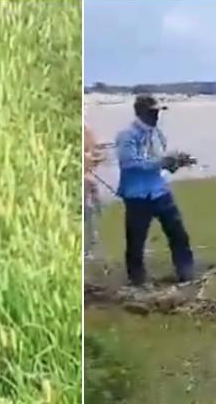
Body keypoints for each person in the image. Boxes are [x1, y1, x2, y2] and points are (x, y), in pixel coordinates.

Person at [114, 94, 195, 286]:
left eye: (158, 111)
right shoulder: (127, 135)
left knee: (178, 233)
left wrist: (176, 162)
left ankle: (186, 272)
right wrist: (162, 162)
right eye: (152, 112)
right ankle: (137, 280)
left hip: (160, 191)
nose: (156, 115)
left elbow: (161, 161)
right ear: (140, 112)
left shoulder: (157, 133)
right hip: (137, 196)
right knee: (136, 240)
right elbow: (129, 163)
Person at [83, 125, 103, 260]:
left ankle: (88, 248)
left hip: (88, 180)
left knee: (90, 212)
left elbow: (95, 155)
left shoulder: (87, 131)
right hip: (86, 180)